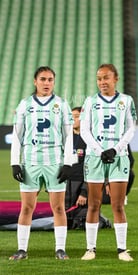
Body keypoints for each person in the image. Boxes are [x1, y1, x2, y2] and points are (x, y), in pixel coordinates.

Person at [10, 66, 73, 260]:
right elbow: (17, 135)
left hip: (55, 161)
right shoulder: (25, 104)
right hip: (30, 162)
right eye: (43, 79)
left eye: (50, 80)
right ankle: (22, 249)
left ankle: (60, 249)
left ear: (54, 82)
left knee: (59, 208)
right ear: (35, 81)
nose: (47, 83)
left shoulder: (62, 104)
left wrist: (68, 162)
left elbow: (68, 136)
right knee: (27, 207)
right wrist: (15, 162)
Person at [79, 64, 137, 261]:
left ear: (116, 79)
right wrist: (99, 150)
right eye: (99, 78)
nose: (102, 82)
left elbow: (130, 129)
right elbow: (85, 130)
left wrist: (115, 149)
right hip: (95, 157)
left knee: (118, 205)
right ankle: (90, 249)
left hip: (119, 158)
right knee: (93, 205)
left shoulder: (126, 101)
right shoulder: (90, 101)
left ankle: (122, 249)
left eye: (106, 78)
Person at [65, 107, 111, 229]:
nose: (72, 119)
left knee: (83, 221)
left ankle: (103, 221)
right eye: (71, 116)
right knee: (67, 221)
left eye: (76, 116)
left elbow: (94, 166)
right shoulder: (66, 138)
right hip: (67, 182)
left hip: (83, 181)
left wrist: (84, 192)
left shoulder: (90, 140)